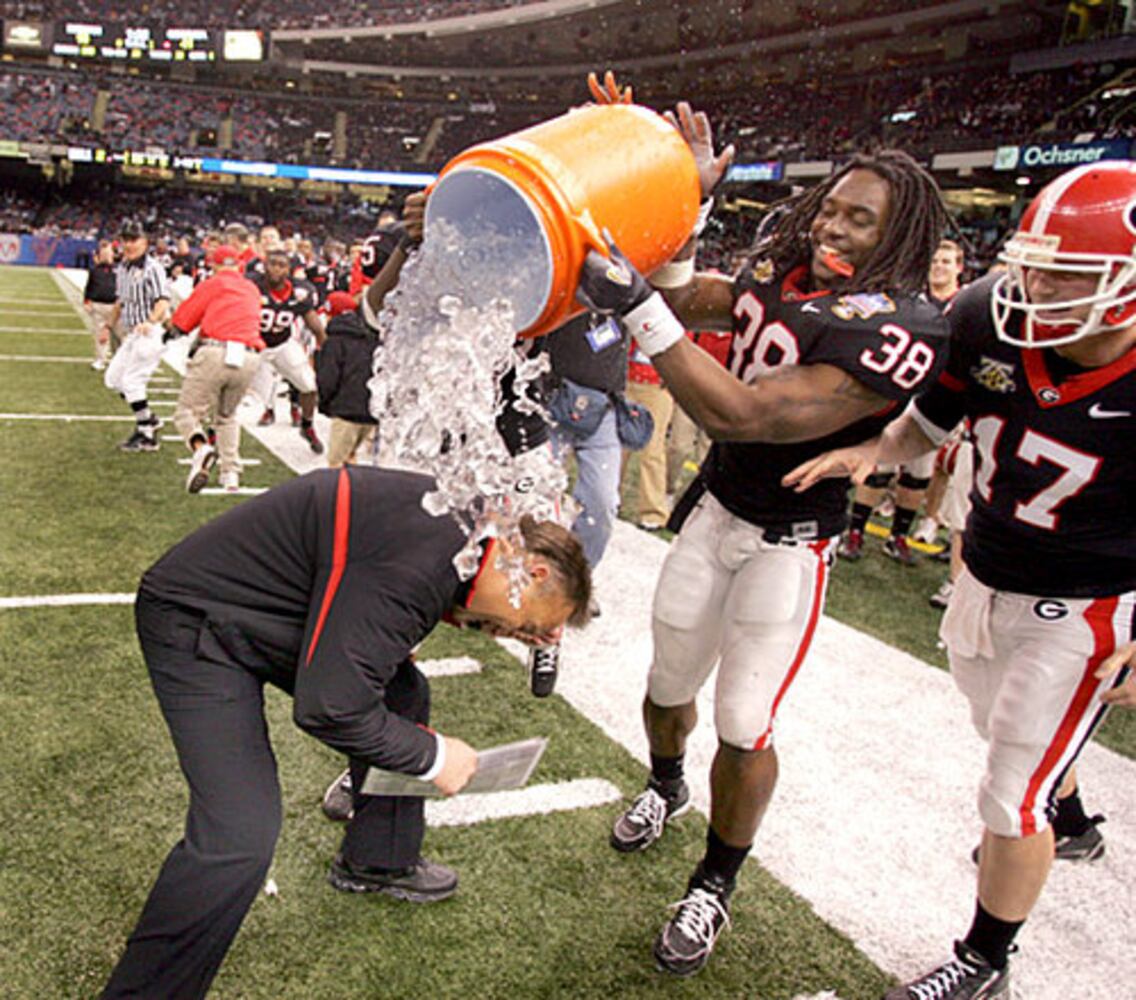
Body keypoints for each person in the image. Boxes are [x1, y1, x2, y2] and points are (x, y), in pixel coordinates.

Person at [577, 89, 950, 977]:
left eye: (862, 219)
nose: (835, 226)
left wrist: (637, 306)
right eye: (833, 206)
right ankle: (665, 785)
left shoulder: (901, 324)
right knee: (668, 686)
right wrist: (688, 200)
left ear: (897, 238)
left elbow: (742, 412)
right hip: (714, 515)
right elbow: (681, 292)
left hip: (791, 541)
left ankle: (714, 882)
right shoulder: (787, 278)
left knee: (745, 719)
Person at [783, 160, 1136, 1000]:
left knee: (1010, 795)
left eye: (1066, 274)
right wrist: (876, 451)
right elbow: (930, 422)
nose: (1035, 286)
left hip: (1084, 606)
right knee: (1003, 731)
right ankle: (1069, 813)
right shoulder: (986, 318)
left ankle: (985, 963)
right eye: (1034, 262)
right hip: (981, 573)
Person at [100, 467, 592, 1000]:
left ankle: (379, 859)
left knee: (402, 693)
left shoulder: (470, 528)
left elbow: (374, 568)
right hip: (196, 617)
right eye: (532, 625)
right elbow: (330, 707)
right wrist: (431, 756)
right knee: (239, 835)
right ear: (535, 572)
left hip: (262, 606)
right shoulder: (425, 560)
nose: (522, 636)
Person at [838, 237, 967, 564]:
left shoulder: (966, 306)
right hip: (900, 392)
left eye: (946, 262)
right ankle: (855, 531)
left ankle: (898, 536)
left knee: (918, 474)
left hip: (937, 396)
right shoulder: (912, 298)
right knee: (880, 466)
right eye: (936, 260)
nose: (939, 266)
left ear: (959, 268)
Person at [167, 245, 265, 494]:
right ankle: (230, 472)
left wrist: (168, 333)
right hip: (249, 356)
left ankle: (201, 448)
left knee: (187, 412)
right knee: (227, 416)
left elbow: (183, 320)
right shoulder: (251, 288)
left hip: (216, 350)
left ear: (214, 265)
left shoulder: (214, 283)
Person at [247, 247, 328, 454]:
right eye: (272, 264)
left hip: (282, 343)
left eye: (281, 265)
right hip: (254, 347)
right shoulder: (252, 286)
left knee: (309, 386)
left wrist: (324, 346)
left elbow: (314, 324)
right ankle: (214, 432)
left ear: (289, 270)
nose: (276, 269)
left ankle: (307, 425)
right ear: (264, 266)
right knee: (234, 390)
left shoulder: (300, 292)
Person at [103, 219, 172, 453]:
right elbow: (120, 301)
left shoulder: (154, 268)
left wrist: (150, 321)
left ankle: (147, 435)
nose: (129, 245)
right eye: (125, 240)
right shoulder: (123, 267)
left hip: (149, 332)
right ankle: (149, 418)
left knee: (133, 382)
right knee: (113, 379)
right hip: (133, 332)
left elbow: (163, 300)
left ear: (145, 242)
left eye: (134, 240)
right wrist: (108, 326)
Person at [316, 290, 380, 468]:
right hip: (371, 411)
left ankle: (341, 496)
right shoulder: (371, 335)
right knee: (351, 459)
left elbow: (328, 378)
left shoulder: (335, 340)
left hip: (346, 410)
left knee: (335, 466)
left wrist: (326, 404)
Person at [623, 340, 674, 532]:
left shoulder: (676, 315)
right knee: (619, 443)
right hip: (628, 376)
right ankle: (610, 496)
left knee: (652, 449)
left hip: (657, 385)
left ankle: (653, 513)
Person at [82, 239, 117, 371]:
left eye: (109, 252)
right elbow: (89, 287)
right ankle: (100, 360)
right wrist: (87, 301)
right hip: (99, 305)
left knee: (118, 336)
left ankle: (118, 361)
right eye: (104, 253)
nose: (107, 256)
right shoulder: (95, 270)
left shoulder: (119, 269)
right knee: (99, 334)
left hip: (116, 306)